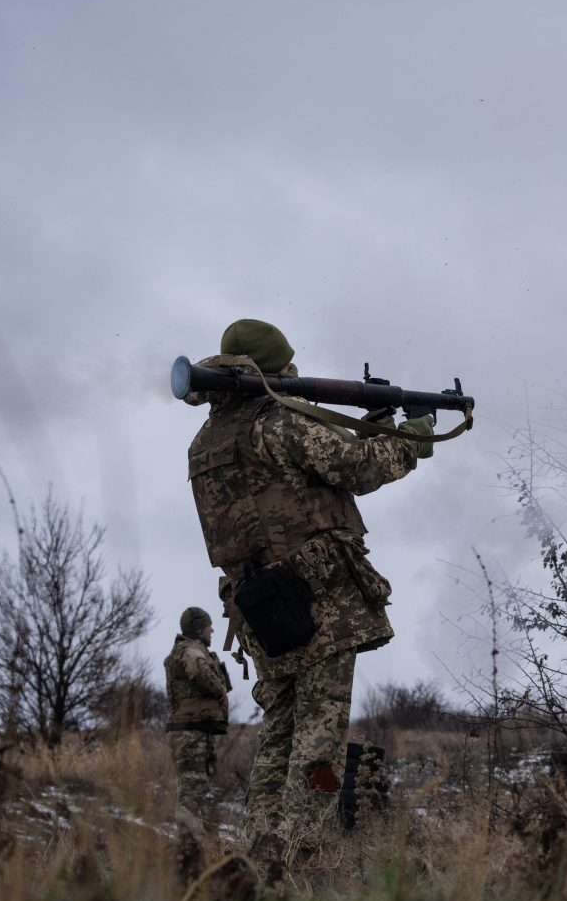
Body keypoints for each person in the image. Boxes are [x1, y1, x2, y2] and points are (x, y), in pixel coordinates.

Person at [183, 318, 433, 861]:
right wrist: (414, 435)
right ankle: (299, 855)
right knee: (319, 735)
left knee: (280, 729)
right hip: (317, 598)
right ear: (274, 366)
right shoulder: (277, 423)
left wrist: (375, 424)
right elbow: (359, 467)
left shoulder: (205, 442)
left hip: (257, 605)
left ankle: (258, 848)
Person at [163, 606, 231, 820]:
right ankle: (187, 847)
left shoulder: (183, 649)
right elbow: (200, 670)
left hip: (193, 729)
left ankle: (191, 845)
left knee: (192, 790)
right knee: (191, 792)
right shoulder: (190, 649)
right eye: (209, 626)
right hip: (192, 732)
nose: (212, 630)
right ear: (199, 628)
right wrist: (220, 690)